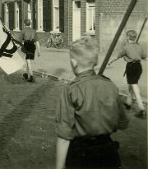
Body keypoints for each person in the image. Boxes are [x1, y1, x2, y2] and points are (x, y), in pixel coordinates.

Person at [55, 36, 129, 169]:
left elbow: (64, 136)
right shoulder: (110, 85)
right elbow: (123, 123)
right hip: (108, 153)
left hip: (81, 155)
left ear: (73, 62)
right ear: (95, 61)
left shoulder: (71, 90)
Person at [116, 29, 146, 118]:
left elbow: (119, 55)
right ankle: (128, 103)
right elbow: (144, 57)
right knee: (131, 85)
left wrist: (124, 50)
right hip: (138, 67)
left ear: (128, 37)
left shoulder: (126, 47)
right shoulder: (139, 46)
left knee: (134, 86)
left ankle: (142, 109)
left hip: (131, 68)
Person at [18, 18, 40, 82]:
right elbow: (37, 42)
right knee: (28, 60)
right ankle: (28, 75)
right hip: (32, 46)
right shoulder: (33, 31)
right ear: (30, 24)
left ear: (24, 24)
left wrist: (17, 47)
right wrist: (39, 51)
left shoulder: (23, 30)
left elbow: (19, 41)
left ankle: (31, 76)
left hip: (27, 46)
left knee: (28, 61)